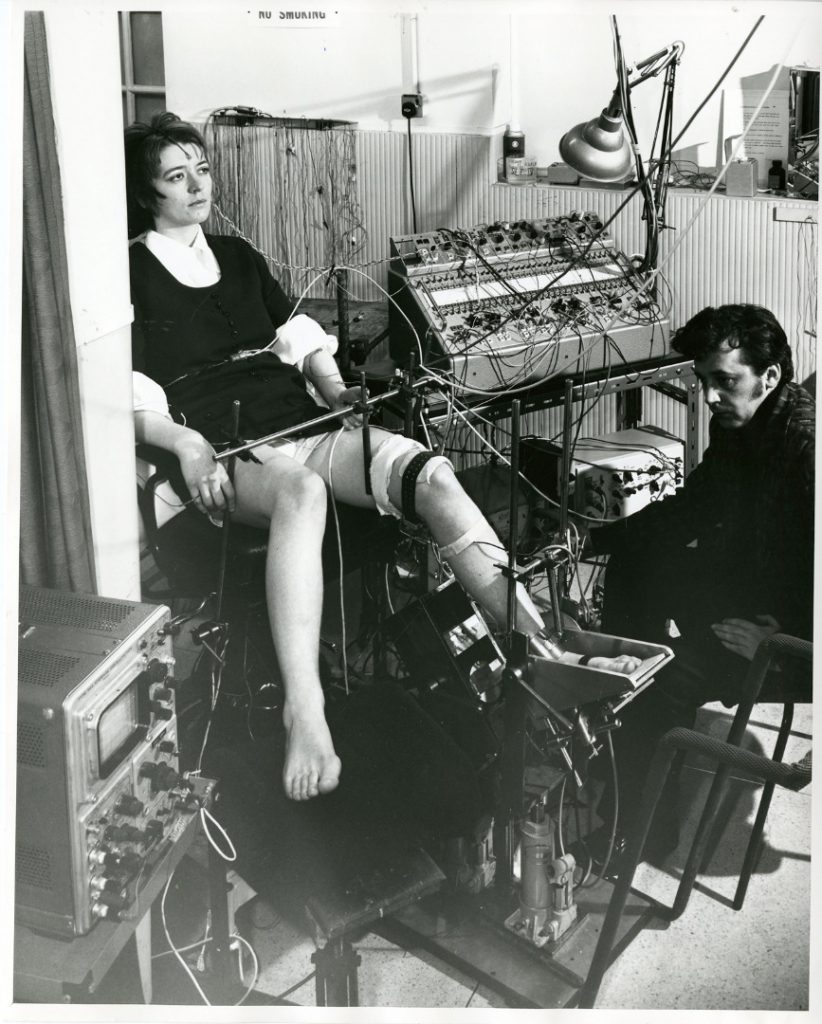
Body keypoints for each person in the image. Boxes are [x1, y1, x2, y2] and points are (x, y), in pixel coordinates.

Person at [125, 112, 638, 804]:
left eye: (202, 169)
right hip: (225, 442)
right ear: (147, 192)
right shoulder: (129, 269)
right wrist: (185, 444)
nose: (197, 185)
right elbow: (121, 387)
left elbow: (297, 336)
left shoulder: (237, 255)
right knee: (302, 492)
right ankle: (305, 710)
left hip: (300, 417)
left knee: (431, 473)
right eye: (175, 176)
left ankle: (540, 646)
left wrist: (336, 387)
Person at [584, 303, 815, 858]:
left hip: (788, 636)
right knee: (634, 566)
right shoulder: (739, 422)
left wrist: (782, 643)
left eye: (724, 381)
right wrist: (594, 538)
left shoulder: (811, 452)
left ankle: (640, 833)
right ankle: (624, 718)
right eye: (704, 380)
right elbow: (694, 508)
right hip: (750, 590)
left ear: (770, 376)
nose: (708, 397)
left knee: (667, 682)